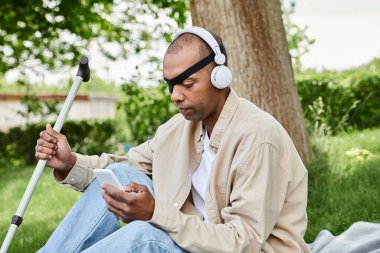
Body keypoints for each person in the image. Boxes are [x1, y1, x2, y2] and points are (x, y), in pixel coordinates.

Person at [35, 26, 311, 253]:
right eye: (170, 85)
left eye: (187, 84)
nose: (175, 95)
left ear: (220, 77)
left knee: (145, 235)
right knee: (119, 174)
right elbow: (127, 165)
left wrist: (155, 213)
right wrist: (70, 162)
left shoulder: (258, 136)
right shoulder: (177, 129)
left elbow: (243, 241)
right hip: (195, 239)